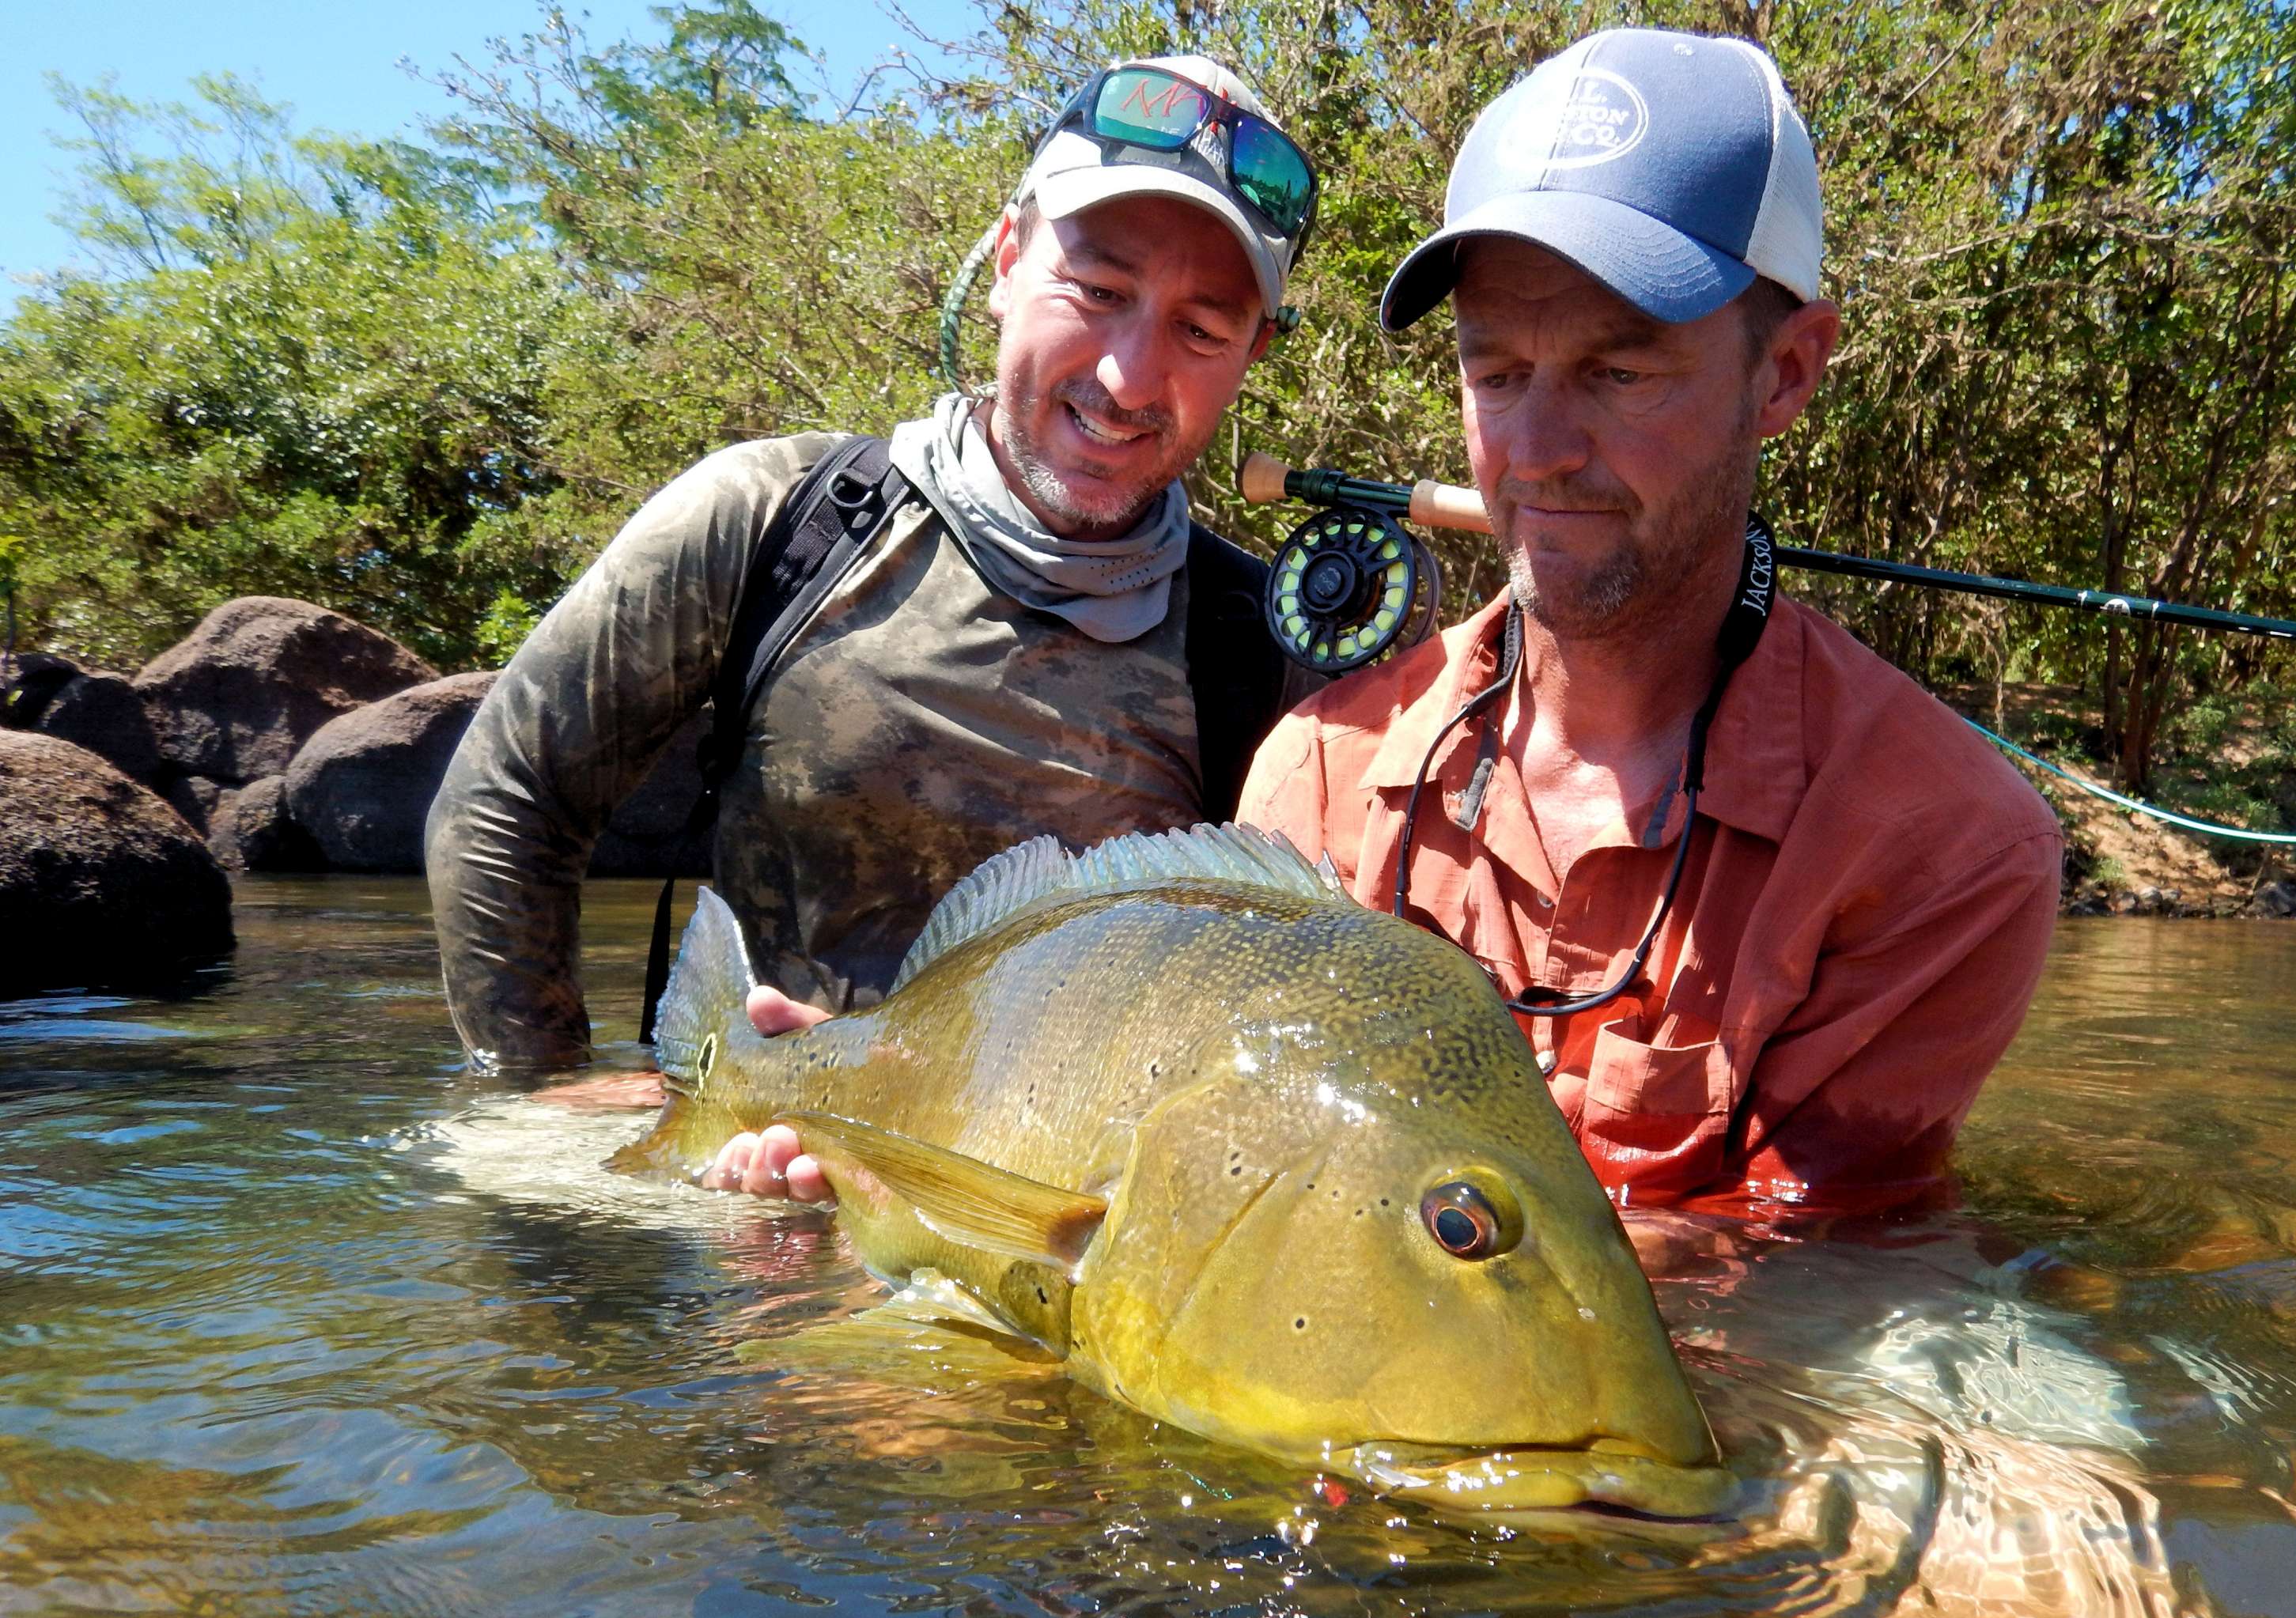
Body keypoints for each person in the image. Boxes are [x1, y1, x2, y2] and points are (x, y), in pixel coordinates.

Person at [1237, 28, 2062, 1227]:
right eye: (1497, 372)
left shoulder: (1948, 854)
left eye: (1620, 374)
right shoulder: (1315, 776)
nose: (1535, 452)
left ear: (1785, 372)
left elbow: (1810, 1290)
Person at [429, 58, 1321, 1109]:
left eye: (1201, 330)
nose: (1128, 375)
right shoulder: (771, 520)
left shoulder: (1259, 649)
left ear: (1253, 354)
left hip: (1030, 1231)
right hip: (744, 1197)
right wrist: (538, 1090)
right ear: (1006, 260)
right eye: (1100, 291)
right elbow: (506, 797)